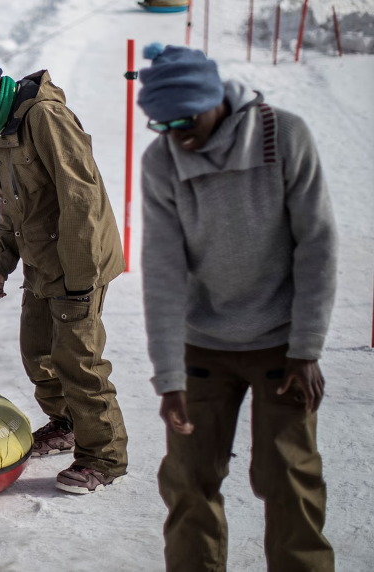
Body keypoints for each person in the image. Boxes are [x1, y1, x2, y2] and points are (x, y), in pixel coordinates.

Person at [138, 43, 337, 571]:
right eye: (161, 124)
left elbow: (316, 244)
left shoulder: (283, 136)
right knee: (188, 482)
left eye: (185, 118)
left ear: (214, 100)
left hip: (280, 343)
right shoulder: (162, 160)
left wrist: (307, 347)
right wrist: (170, 378)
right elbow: (162, 272)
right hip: (203, 347)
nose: (177, 133)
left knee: (289, 480)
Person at [0, 34, 129, 494]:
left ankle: (103, 458)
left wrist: (81, 280)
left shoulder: (44, 117)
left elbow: (81, 196)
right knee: (38, 352)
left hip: (76, 261)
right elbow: (13, 206)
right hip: (43, 260)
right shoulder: (1, 131)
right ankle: (66, 425)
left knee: (78, 361)